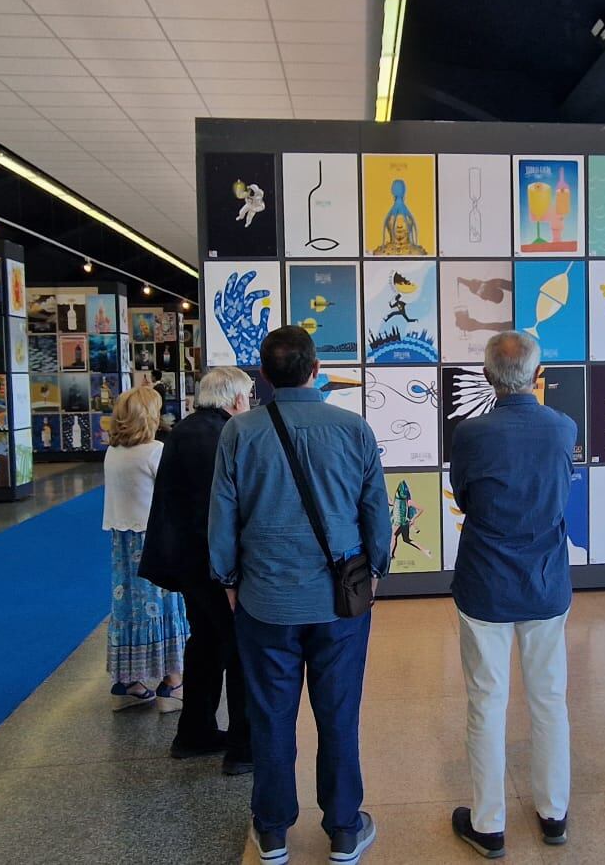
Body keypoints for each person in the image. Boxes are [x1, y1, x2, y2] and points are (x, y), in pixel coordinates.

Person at [210, 325, 389, 865]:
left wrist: (228, 581)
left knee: (269, 714)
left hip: (264, 601)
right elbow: (376, 512)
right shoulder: (353, 429)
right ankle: (341, 828)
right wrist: (374, 571)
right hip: (339, 602)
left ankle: (272, 831)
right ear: (317, 370)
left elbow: (223, 519)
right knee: (338, 713)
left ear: (263, 376)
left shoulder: (239, 433)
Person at [445, 332, 575, 857]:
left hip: (485, 583)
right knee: (548, 700)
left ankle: (489, 823)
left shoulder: (471, 434)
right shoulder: (562, 427)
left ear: (487, 375)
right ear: (536, 375)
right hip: (545, 581)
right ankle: (553, 815)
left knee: (486, 700)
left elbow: (466, 497)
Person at [143, 367, 254, 774]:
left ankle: (194, 732)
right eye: (248, 395)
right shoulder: (223, 435)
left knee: (206, 644)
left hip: (187, 562)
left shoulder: (186, 431)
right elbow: (225, 509)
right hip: (214, 565)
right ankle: (245, 746)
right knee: (242, 648)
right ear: (236, 398)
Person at [102, 385, 188, 712]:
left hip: (123, 542)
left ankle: (128, 680)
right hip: (157, 540)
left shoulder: (113, 453)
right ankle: (173, 681)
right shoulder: (155, 451)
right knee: (164, 604)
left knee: (129, 607)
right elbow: (174, 494)